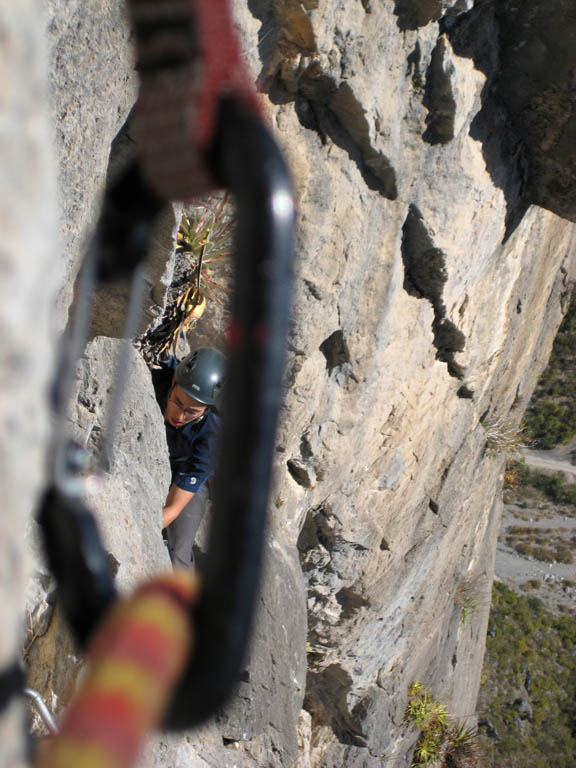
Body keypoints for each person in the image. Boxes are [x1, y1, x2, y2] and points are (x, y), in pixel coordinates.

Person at [151, 347, 225, 570]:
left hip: (187, 474)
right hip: (155, 457)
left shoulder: (210, 437)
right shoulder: (159, 380)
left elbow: (173, 509)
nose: (180, 416)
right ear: (173, 383)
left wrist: (141, 532)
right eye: (177, 403)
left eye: (192, 412)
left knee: (179, 550)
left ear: (207, 409)